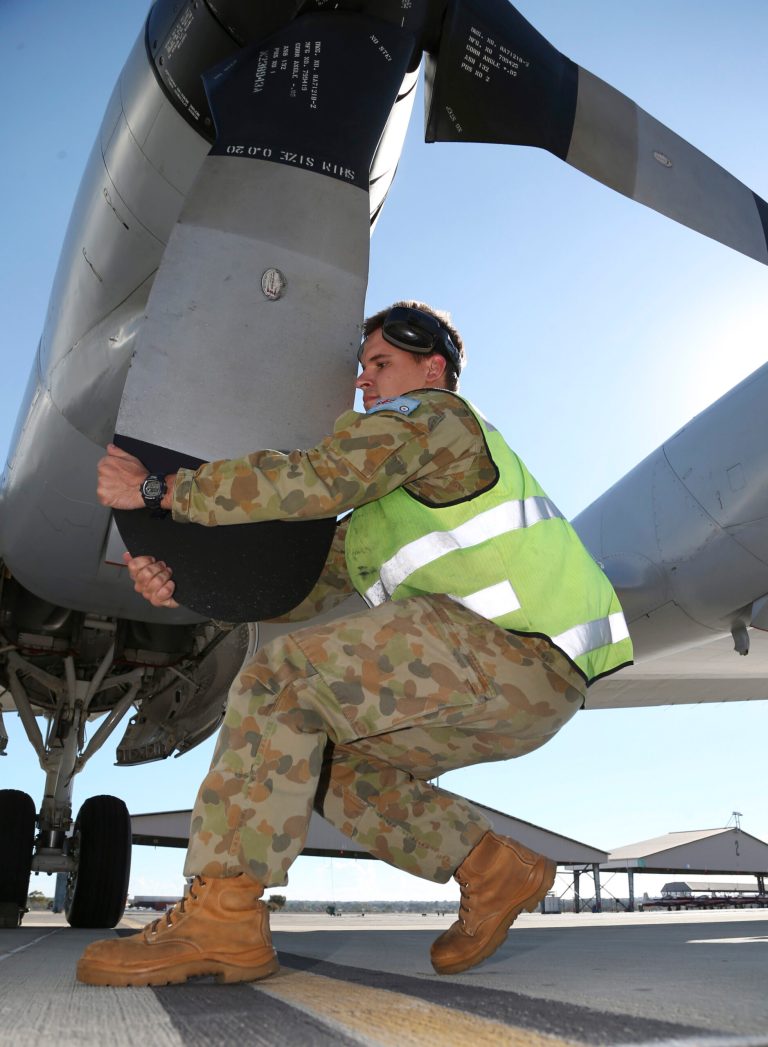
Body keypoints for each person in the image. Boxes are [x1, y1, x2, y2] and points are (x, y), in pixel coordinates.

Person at [79, 302, 632, 987]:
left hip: (509, 651)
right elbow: (286, 594)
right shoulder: (376, 519)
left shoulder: (435, 418)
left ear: (433, 369)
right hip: (521, 688)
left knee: (279, 679)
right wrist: (177, 582)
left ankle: (222, 918)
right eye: (362, 369)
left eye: (380, 365)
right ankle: (492, 869)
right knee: (327, 766)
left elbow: (311, 478)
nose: (365, 383)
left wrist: (158, 490)